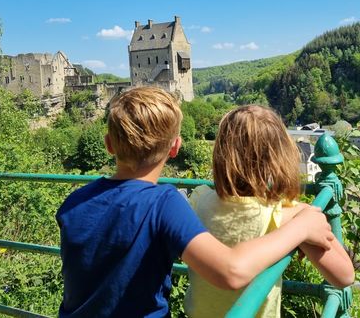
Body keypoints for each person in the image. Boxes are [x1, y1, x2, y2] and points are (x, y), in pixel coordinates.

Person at [56, 87, 336, 318]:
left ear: (108, 144)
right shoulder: (163, 203)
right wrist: (299, 228)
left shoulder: (73, 201)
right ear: (175, 147)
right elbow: (231, 272)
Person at [185, 105, 354, 318]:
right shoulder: (279, 218)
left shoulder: (198, 199)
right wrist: (300, 214)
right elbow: (344, 275)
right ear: (278, 160)